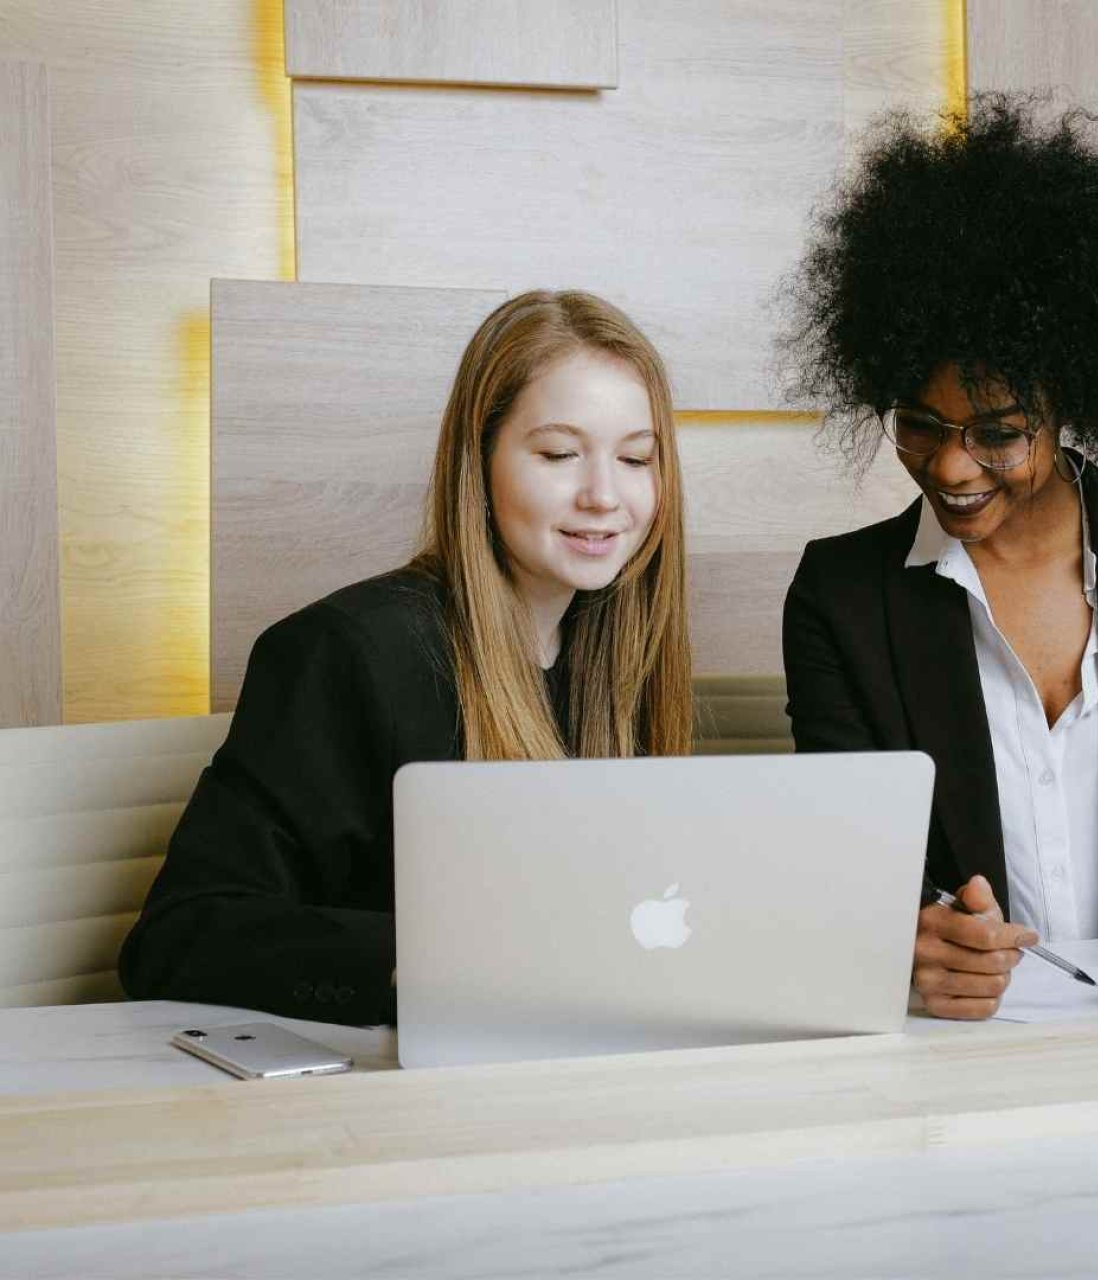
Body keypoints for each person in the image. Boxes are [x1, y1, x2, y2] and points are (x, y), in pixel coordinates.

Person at [781, 95, 1098, 1019]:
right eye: (919, 427)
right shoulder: (839, 597)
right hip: (964, 1039)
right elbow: (847, 866)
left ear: (1073, 399)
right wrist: (909, 942)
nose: (952, 466)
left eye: (999, 433)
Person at [119, 290, 692, 1026]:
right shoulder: (345, 652)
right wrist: (447, 961)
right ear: (478, 462)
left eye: (637, 458)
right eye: (558, 454)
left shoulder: (622, 648)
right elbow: (177, 939)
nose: (605, 496)